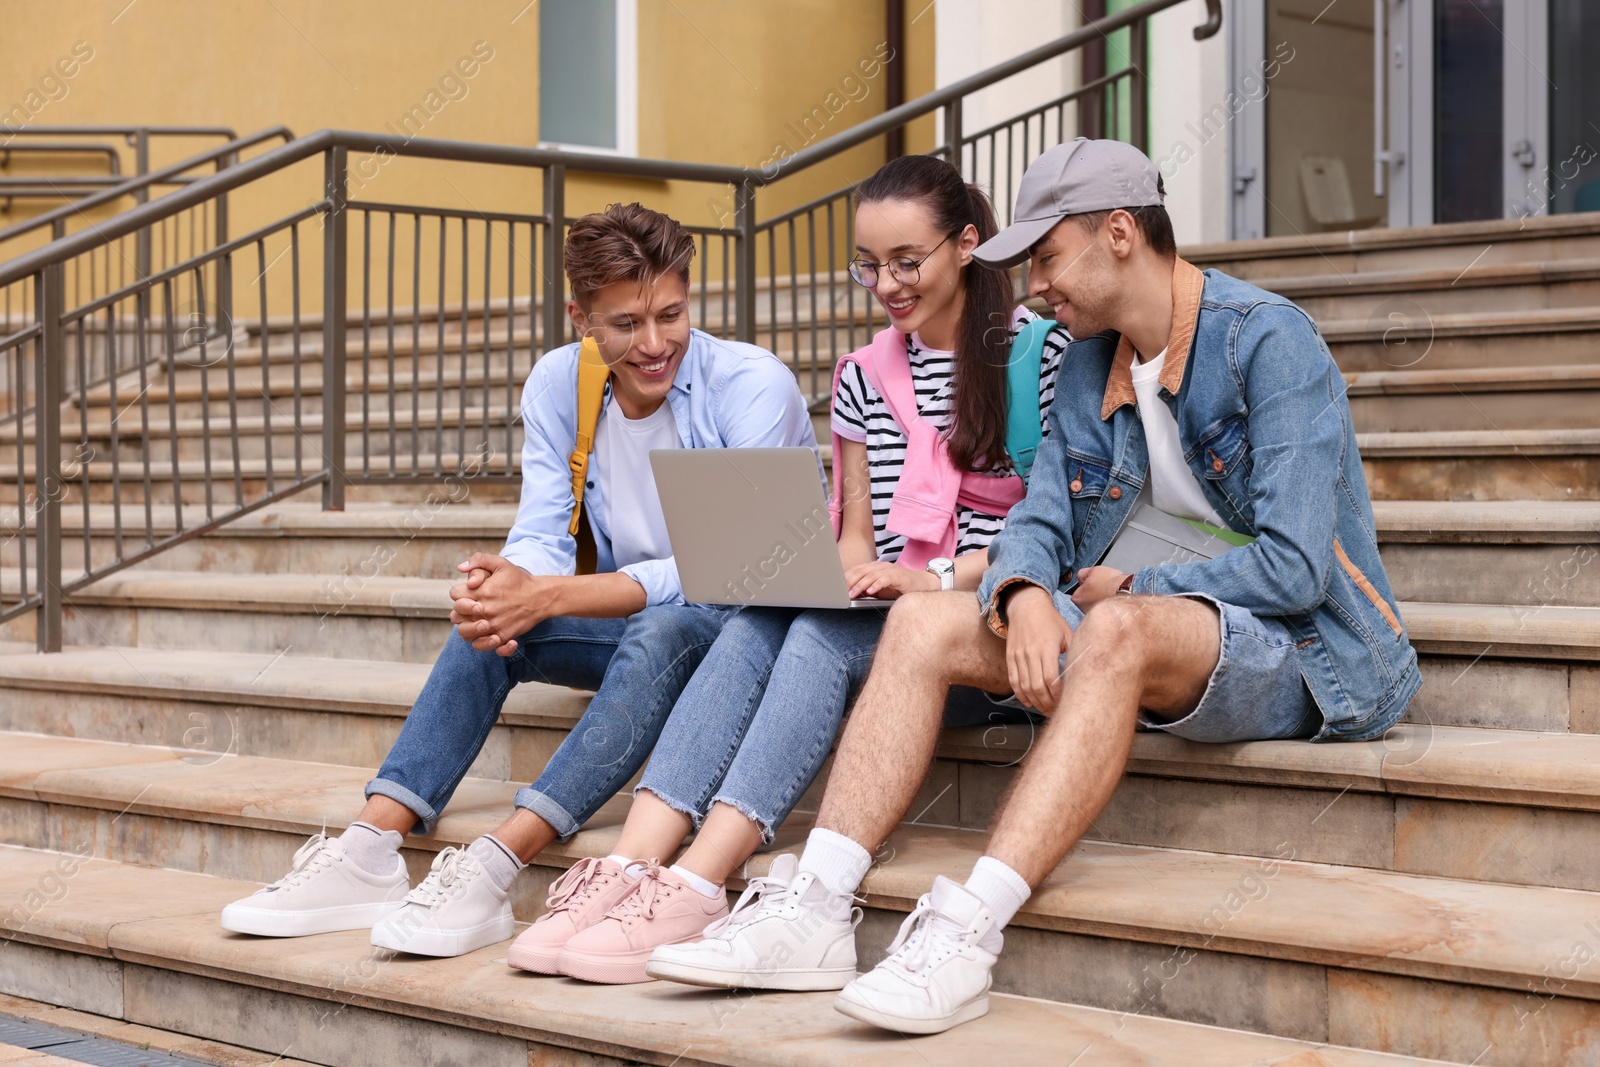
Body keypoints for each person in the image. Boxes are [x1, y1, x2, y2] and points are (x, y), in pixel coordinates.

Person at [652, 138, 1421, 1034]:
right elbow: (1040, 517)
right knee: (925, 623)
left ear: (1121, 233)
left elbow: (1293, 567)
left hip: (1308, 644)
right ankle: (815, 907)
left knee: (1120, 627)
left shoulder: (1268, 341)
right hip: (1126, 613)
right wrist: (1018, 591)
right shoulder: (1085, 358)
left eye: (1049, 257)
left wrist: (1133, 584)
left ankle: (966, 932)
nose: (1038, 286)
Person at [511, 154, 1067, 985]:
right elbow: (851, 530)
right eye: (869, 264)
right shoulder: (860, 377)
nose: (886, 282)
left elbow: (1055, 528)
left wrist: (932, 579)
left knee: (807, 634)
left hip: (981, 612)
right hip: (885, 610)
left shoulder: (1038, 357)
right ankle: (636, 866)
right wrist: (845, 572)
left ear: (966, 245)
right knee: (765, 614)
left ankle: (701, 879)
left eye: (906, 260)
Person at [218, 203, 818, 956]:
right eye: (627, 323)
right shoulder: (561, 384)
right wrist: (505, 585)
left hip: (739, 639)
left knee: (661, 624)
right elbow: (542, 532)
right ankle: (372, 846)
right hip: (631, 621)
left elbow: (734, 570)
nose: (656, 342)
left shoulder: (749, 384)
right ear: (581, 317)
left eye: (672, 313)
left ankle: (497, 862)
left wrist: (554, 594)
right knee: (494, 626)